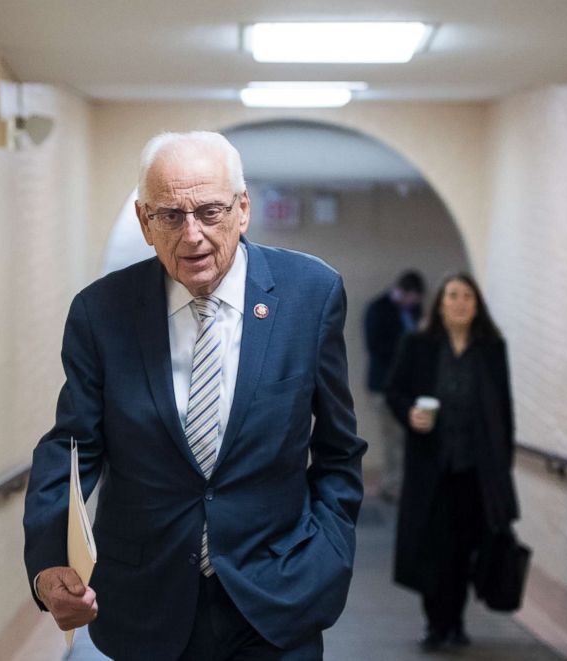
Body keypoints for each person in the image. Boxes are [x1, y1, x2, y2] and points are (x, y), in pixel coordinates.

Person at [23, 131, 368, 660]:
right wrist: (49, 563)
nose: (192, 236)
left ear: (242, 209)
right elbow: (71, 446)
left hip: (278, 594)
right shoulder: (102, 312)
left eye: (210, 211)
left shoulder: (311, 295)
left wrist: (329, 553)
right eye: (169, 215)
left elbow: (340, 449)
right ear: (143, 221)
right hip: (147, 602)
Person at [384, 272, 518, 652]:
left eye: (467, 297)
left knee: (465, 548)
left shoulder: (492, 350)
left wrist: (503, 467)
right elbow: (395, 391)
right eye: (453, 295)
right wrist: (410, 413)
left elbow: (504, 411)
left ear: (477, 306)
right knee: (433, 548)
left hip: (476, 469)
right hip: (432, 467)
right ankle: (434, 623)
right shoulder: (419, 345)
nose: (460, 303)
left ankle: (455, 622)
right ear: (440, 303)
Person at [363, 270, 425, 501]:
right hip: (384, 385)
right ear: (405, 292)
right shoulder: (378, 309)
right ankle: (391, 485)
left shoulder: (414, 311)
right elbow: (375, 347)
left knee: (405, 438)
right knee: (391, 437)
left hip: (409, 387)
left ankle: (402, 483)